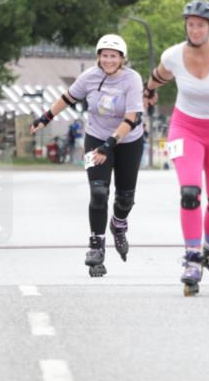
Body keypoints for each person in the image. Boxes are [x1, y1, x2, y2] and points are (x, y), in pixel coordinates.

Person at [143, 0, 209, 295]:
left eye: (201, 25)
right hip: (184, 129)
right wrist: (148, 91)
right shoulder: (174, 55)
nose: (195, 30)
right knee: (189, 193)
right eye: (191, 24)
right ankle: (192, 257)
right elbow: (159, 75)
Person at [30, 34, 143, 277]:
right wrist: (45, 118)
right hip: (95, 137)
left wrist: (109, 145)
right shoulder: (89, 76)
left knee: (124, 198)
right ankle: (96, 245)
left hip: (127, 141)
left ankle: (119, 225)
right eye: (104, 55)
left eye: (113, 56)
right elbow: (67, 98)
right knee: (99, 192)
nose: (108, 60)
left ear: (122, 58)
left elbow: (132, 119)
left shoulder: (132, 79)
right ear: (98, 57)